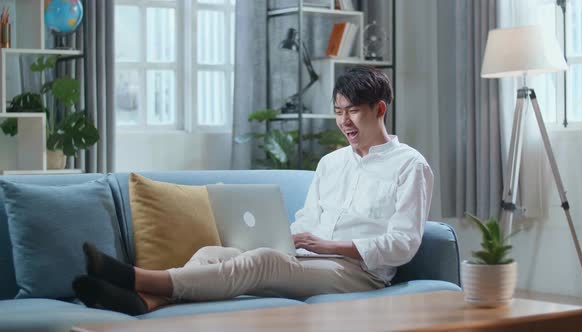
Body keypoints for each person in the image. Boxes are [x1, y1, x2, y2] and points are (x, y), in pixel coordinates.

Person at [73, 66, 434, 315]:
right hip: (309, 261)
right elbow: (308, 219)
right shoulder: (332, 163)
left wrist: (332, 246)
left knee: (263, 262)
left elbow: (403, 243)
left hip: (358, 274)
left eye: (353, 112)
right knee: (213, 252)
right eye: (339, 111)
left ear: (380, 109)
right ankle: (146, 302)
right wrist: (281, 237)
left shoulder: (409, 166)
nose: (344, 122)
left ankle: (135, 278)